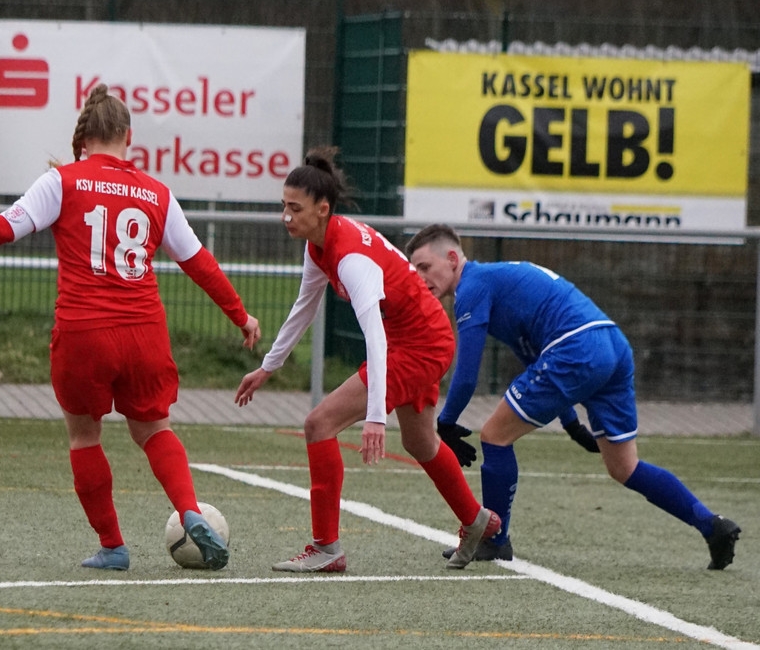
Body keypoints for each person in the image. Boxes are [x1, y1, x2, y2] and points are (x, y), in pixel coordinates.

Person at [0, 84, 260, 572]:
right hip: (145, 333)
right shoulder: (157, 193)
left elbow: (3, 227)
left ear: (83, 138)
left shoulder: (63, 181)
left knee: (84, 436)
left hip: (85, 331)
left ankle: (113, 547)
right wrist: (240, 315)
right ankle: (189, 509)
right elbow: (198, 262)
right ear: (128, 137)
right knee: (154, 430)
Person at [405, 223, 741, 569]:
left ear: (452, 258)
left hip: (576, 348)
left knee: (494, 436)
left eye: (425, 267)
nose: (420, 277)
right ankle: (713, 526)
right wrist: (571, 425)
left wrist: (446, 422)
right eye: (414, 270)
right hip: (611, 345)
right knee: (624, 467)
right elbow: (534, 357)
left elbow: (466, 374)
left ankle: (494, 540)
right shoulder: (495, 278)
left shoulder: (472, 286)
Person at [234, 147, 498, 572]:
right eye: (284, 206)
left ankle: (326, 548)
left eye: (295, 208)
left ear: (322, 210)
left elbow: (374, 336)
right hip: (415, 337)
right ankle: (475, 519)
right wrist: (268, 366)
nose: (286, 216)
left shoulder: (351, 258)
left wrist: (376, 416)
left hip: (420, 344)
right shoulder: (318, 245)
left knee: (319, 424)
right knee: (420, 442)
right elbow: (304, 308)